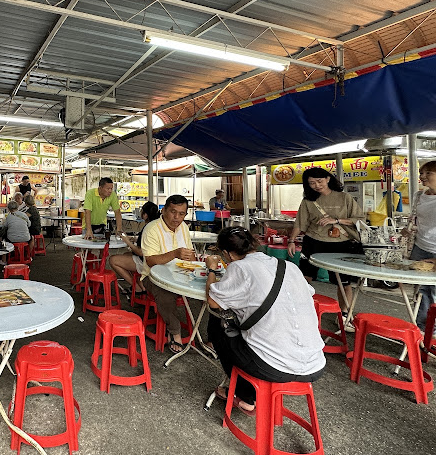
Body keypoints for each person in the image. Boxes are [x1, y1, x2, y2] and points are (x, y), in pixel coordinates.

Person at [205, 226, 325, 415]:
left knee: (219, 327)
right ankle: (252, 387)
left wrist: (211, 269)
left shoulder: (239, 267)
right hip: (314, 363)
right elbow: (307, 294)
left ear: (227, 254)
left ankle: (246, 397)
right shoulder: (289, 266)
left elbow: (213, 302)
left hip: (274, 367)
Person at [288, 167, 363, 318]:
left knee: (343, 281)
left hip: (341, 242)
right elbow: (300, 223)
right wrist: (291, 240)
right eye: (312, 183)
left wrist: (336, 220)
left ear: (328, 179)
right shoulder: (308, 201)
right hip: (313, 241)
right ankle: (301, 311)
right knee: (305, 277)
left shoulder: (344, 197)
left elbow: (359, 219)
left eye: (319, 181)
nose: (316, 185)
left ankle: (344, 314)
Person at [140, 195, 195, 354]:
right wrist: (175, 253)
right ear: (163, 210)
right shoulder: (152, 229)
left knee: (213, 287)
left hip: (181, 275)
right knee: (165, 292)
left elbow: (190, 254)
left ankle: (214, 337)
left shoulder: (183, 227)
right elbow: (150, 261)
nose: (177, 217)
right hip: (152, 277)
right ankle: (175, 331)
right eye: (173, 212)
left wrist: (193, 260)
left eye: (182, 213)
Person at [403, 161, 436, 333]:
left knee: (434, 293)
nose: (422, 177)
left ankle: (431, 332)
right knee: (421, 290)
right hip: (419, 246)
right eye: (421, 173)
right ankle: (421, 329)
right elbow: (414, 219)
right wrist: (407, 230)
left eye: (428, 173)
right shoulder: (419, 196)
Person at [109, 202, 160, 294]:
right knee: (125, 255)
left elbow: (140, 252)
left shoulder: (147, 228)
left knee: (113, 260)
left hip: (146, 262)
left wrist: (127, 242)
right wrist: (135, 239)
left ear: (145, 215)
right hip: (155, 260)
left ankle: (136, 287)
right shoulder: (155, 225)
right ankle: (141, 285)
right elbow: (147, 241)